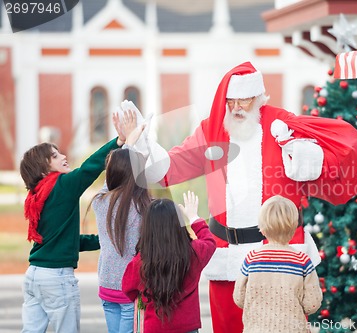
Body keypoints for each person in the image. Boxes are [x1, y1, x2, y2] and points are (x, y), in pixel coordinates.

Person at [132, 61, 357, 332]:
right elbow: (172, 168)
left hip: (277, 254)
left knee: (282, 325)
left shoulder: (281, 124)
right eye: (231, 100)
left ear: (258, 98)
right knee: (227, 326)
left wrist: (300, 153)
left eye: (244, 101)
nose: (236, 108)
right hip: (226, 252)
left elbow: (324, 160)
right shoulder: (211, 130)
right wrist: (142, 145)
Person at [19, 111, 135, 333]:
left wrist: (106, 240)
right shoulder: (62, 186)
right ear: (44, 169)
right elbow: (89, 168)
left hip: (34, 276)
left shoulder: (37, 195)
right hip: (56, 279)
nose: (63, 156)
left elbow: (63, 241)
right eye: (55, 156)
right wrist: (119, 142)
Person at [121, 191, 216, 333]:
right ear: (179, 225)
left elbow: (128, 289)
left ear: (148, 228)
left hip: (155, 327)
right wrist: (194, 218)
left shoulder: (141, 262)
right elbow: (210, 242)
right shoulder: (194, 253)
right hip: (188, 327)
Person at [90, 110, 149, 333]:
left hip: (106, 285)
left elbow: (112, 176)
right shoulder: (141, 206)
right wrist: (132, 143)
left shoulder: (99, 201)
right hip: (130, 288)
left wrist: (127, 143)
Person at [233, 195, 322, 332]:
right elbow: (312, 303)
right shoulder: (302, 261)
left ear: (261, 229)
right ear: (293, 229)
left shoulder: (252, 259)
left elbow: (239, 298)